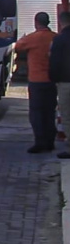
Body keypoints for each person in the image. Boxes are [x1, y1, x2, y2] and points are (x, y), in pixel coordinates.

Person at [14, 12, 58, 153]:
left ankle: (40, 142)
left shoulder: (32, 38)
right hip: (52, 81)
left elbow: (17, 47)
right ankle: (50, 141)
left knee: (37, 112)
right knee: (50, 112)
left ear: (36, 22)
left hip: (37, 81)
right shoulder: (55, 37)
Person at [50, 11, 70, 159]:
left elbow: (54, 62)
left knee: (67, 115)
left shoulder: (59, 40)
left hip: (65, 82)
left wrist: (53, 79)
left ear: (61, 22)